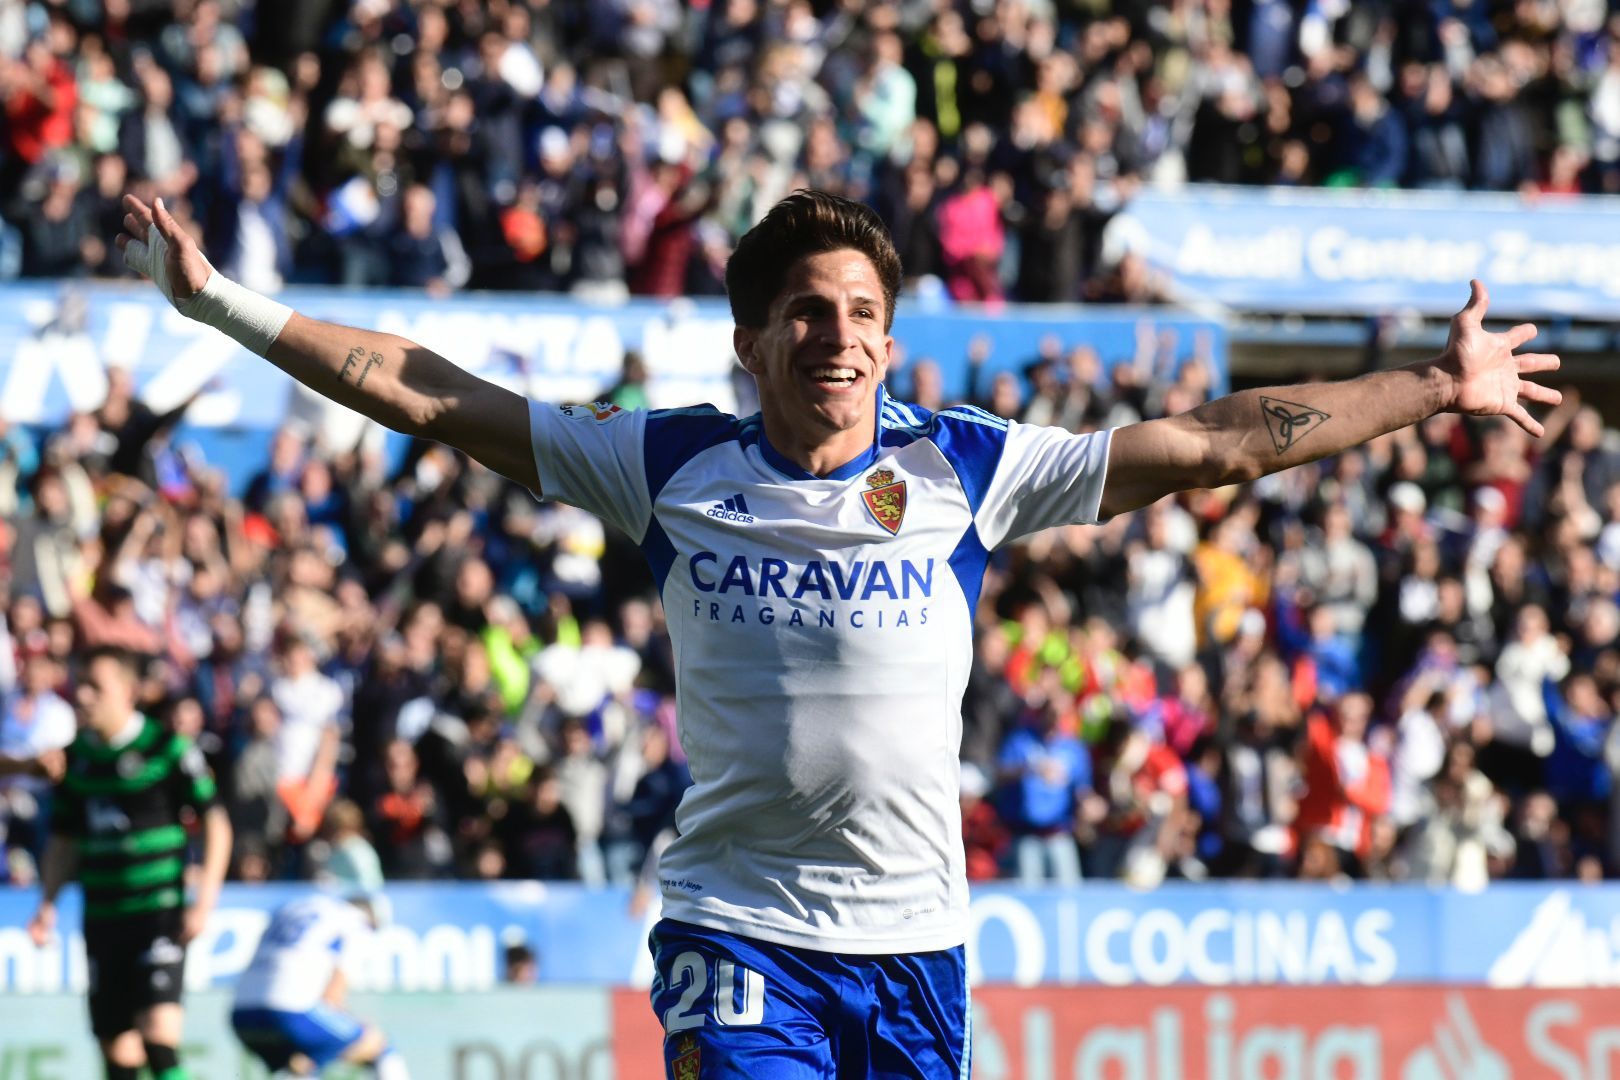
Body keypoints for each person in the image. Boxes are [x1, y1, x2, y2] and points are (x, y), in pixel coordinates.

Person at [114, 188, 1559, 1077]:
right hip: (742, 930)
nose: (841, 336)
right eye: (809, 312)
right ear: (756, 342)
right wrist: (221, 305)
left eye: (865, 311)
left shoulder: (965, 471)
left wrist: (1438, 385)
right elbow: (426, 388)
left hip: (919, 943)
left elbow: (1215, 443)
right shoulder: (667, 463)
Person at [27, 645, 233, 1080]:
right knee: (118, 1053)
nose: (82, 695)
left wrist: (204, 901)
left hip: (158, 914)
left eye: (94, 686)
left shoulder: (167, 749)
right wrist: (47, 904)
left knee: (159, 1036)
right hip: (103, 919)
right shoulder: (76, 761)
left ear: (128, 691)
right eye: (80, 684)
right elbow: (64, 842)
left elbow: (216, 824)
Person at [232, 889, 409, 1078]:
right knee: (378, 1044)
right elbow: (332, 999)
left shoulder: (298, 908)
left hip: (240, 1016)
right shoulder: (356, 922)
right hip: (289, 1012)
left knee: (302, 1063)